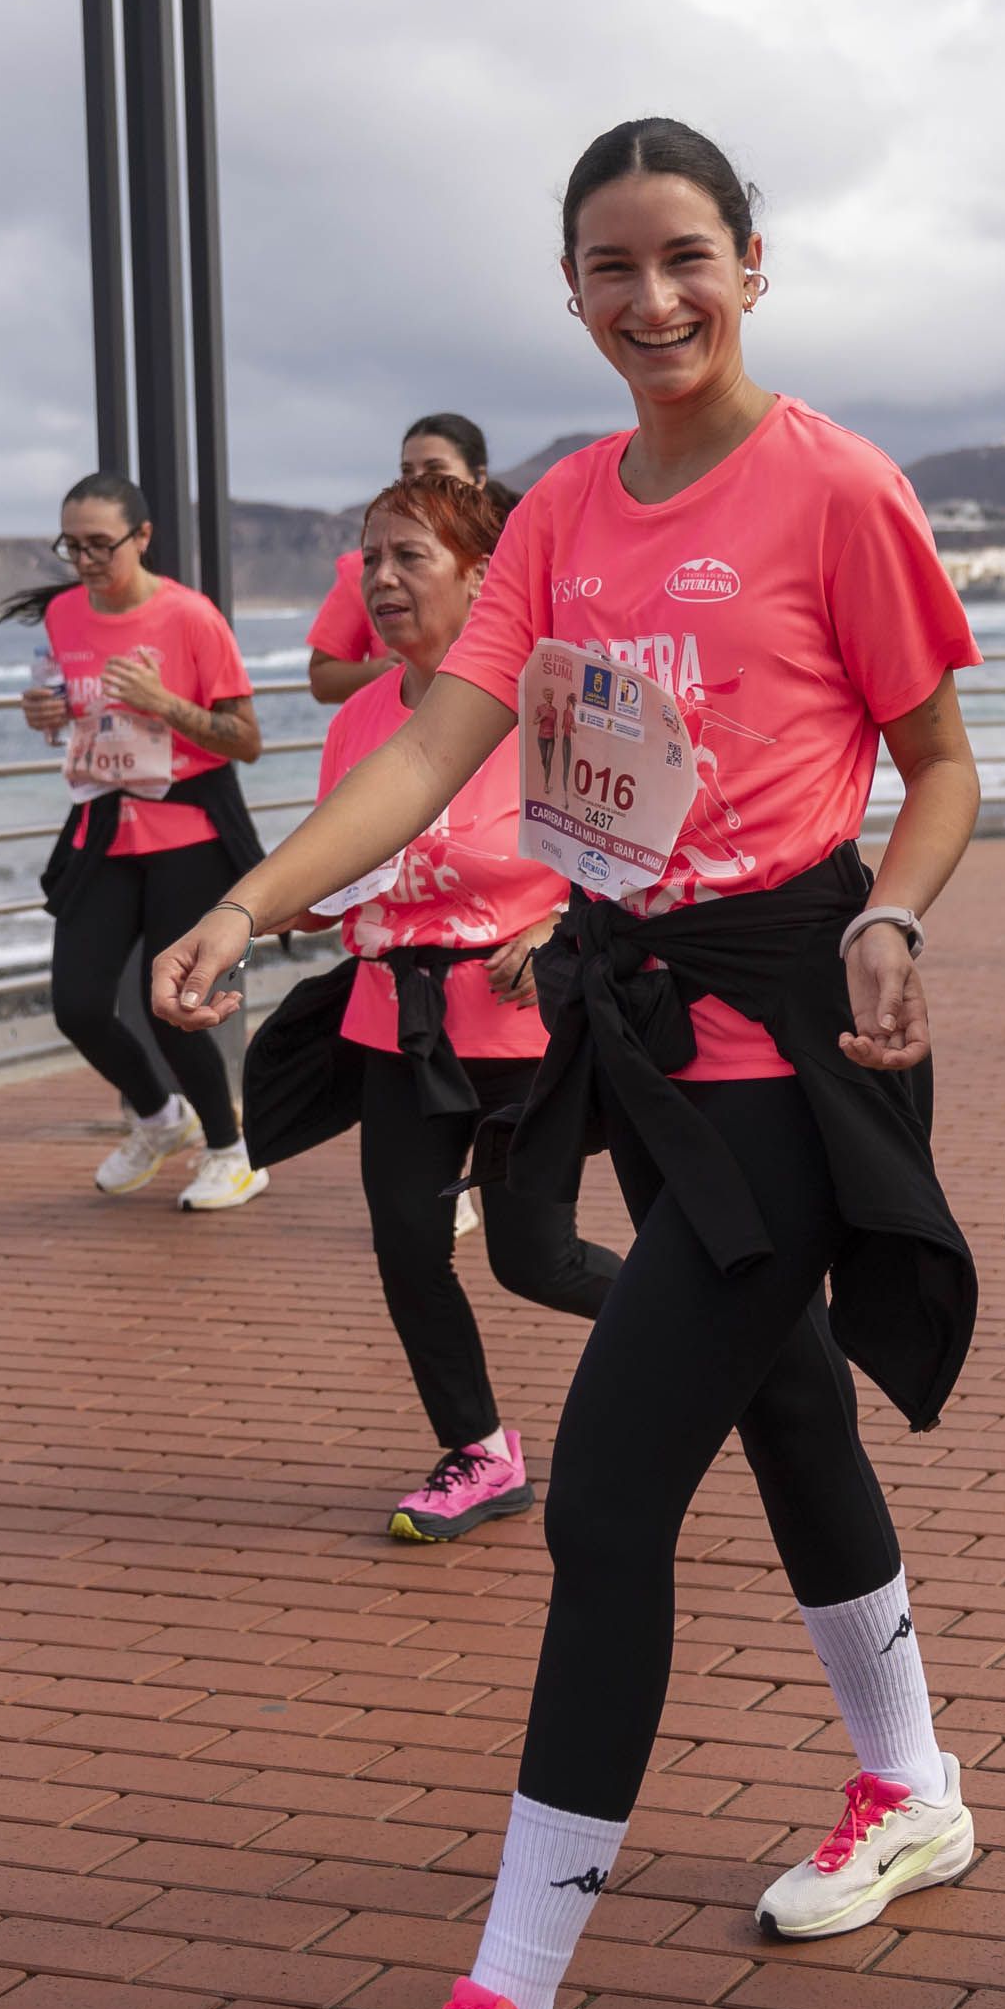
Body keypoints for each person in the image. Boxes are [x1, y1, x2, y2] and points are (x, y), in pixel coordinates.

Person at [150, 119, 986, 2009]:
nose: (651, 298)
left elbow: (939, 764)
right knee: (782, 1405)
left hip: (792, 1030)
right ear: (570, 289)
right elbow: (441, 745)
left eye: (685, 255)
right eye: (609, 266)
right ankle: (914, 1785)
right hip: (620, 1022)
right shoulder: (559, 519)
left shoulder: (835, 486)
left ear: (752, 262)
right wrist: (254, 898)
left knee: (605, 1499)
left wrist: (895, 913)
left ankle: (505, 2001)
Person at [282, 474, 617, 1541]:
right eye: (369, 558)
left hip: (521, 1026)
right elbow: (342, 854)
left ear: (485, 579)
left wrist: (557, 930)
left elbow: (628, 859)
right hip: (399, 1022)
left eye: (408, 558)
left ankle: (725, 1343)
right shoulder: (364, 718)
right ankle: (478, 1451)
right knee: (405, 1245)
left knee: (535, 1258)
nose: (378, 580)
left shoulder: (551, 705)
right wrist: (277, 909)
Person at [7, 475, 269, 1209]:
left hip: (188, 830)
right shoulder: (62, 614)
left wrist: (167, 704)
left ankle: (232, 1151)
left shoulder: (191, 617)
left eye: (101, 544)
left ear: (143, 537)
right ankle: (161, 1118)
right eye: (73, 545)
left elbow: (245, 739)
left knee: (174, 1002)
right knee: (78, 1003)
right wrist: (46, 713)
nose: (86, 559)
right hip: (104, 827)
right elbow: (79, 711)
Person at [311, 415, 495, 705]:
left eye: (435, 469)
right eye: (407, 471)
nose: (419, 480)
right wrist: (387, 672)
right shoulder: (362, 570)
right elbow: (322, 678)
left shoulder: (520, 559)